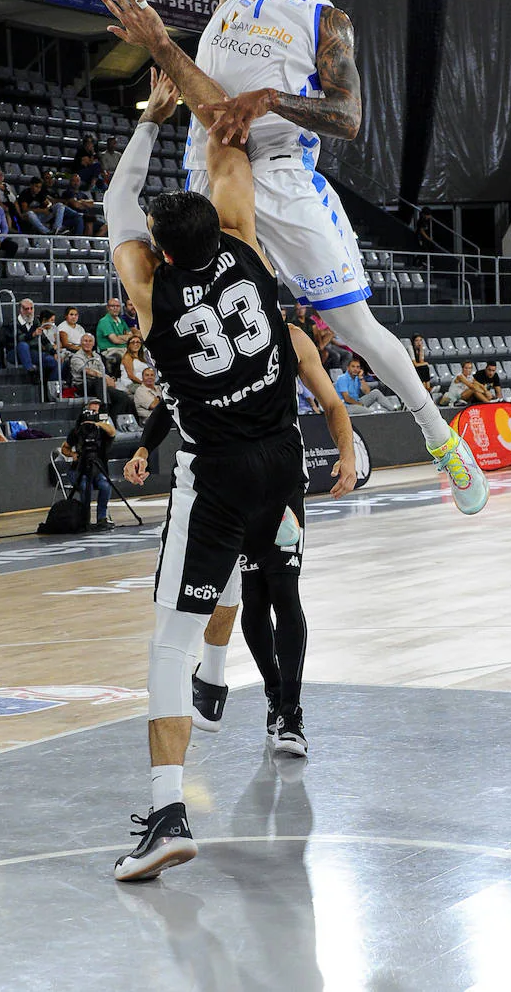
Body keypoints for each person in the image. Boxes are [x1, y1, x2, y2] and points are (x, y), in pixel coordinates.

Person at [99, 0, 487, 516]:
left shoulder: (326, 21)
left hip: (281, 173)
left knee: (357, 328)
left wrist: (271, 96)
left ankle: (440, 439)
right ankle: (226, 469)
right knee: (198, 318)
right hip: (212, 164)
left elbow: (348, 117)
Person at [103, 63, 308, 883]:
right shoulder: (247, 248)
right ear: (218, 232)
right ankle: (220, 683)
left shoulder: (152, 296)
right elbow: (230, 154)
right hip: (282, 463)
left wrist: (151, 119)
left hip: (216, 473)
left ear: (160, 249)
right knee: (240, 575)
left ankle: (167, 812)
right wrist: (222, 102)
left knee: (165, 643)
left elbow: (117, 205)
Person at [125, 320, 357, 753]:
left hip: (282, 480)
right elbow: (171, 403)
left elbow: (331, 401)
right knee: (255, 597)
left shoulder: (288, 336)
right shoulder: (210, 331)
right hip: (233, 483)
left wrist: (347, 453)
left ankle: (291, 712)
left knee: (285, 590)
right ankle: (272, 695)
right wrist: (143, 447)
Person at [60, 397, 116, 530]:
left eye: (96, 410)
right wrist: (73, 454)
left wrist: (96, 424)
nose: (93, 413)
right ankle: (84, 519)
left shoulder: (103, 430)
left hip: (98, 468)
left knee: (105, 485)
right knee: (85, 485)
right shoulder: (78, 431)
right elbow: (64, 448)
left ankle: (102, 518)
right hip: (79, 469)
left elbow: (112, 432)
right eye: (91, 410)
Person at [69, 333, 136, 417]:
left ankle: (114, 420)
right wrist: (105, 377)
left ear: (93, 344)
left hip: (99, 385)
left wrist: (108, 379)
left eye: (90, 341)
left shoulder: (97, 356)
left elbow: (102, 371)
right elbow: (87, 371)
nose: (88, 343)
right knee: (99, 381)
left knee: (122, 397)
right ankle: (104, 408)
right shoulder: (76, 357)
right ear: (81, 343)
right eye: (85, 341)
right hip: (82, 386)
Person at [9, 298, 58, 380]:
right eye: (26, 309)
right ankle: (31, 371)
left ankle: (51, 388)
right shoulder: (13, 323)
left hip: (32, 352)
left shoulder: (35, 321)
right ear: (21, 310)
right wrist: (33, 334)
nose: (29, 311)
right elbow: (18, 338)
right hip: (16, 352)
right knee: (23, 345)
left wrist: (54, 352)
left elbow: (44, 339)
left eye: (31, 308)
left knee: (53, 361)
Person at [335, 356, 400, 411]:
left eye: (358, 367)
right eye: (353, 366)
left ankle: (394, 411)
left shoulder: (357, 378)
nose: (355, 369)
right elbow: (347, 398)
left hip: (357, 402)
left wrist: (361, 378)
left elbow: (367, 391)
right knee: (369, 412)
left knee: (376, 392)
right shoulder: (342, 379)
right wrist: (360, 405)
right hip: (346, 406)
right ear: (348, 368)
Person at [96, 297, 134, 375]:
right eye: (112, 306)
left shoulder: (121, 320)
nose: (115, 308)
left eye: (117, 306)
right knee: (127, 358)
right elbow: (115, 340)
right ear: (107, 308)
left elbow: (131, 336)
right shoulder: (104, 321)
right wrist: (125, 337)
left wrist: (119, 336)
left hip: (124, 348)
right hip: (110, 351)